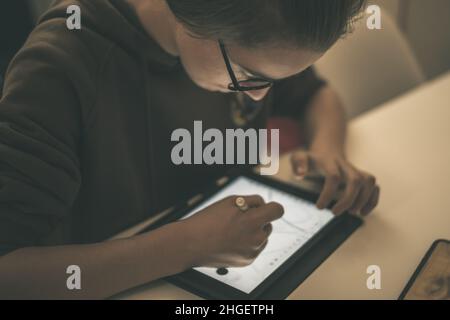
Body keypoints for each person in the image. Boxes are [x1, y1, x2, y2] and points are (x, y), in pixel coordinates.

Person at [0, 0, 379, 299]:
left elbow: (316, 95)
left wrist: (329, 150)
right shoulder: (61, 66)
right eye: (248, 78)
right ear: (198, 16)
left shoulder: (268, 28)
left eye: (281, 78)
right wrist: (184, 246)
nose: (263, 95)